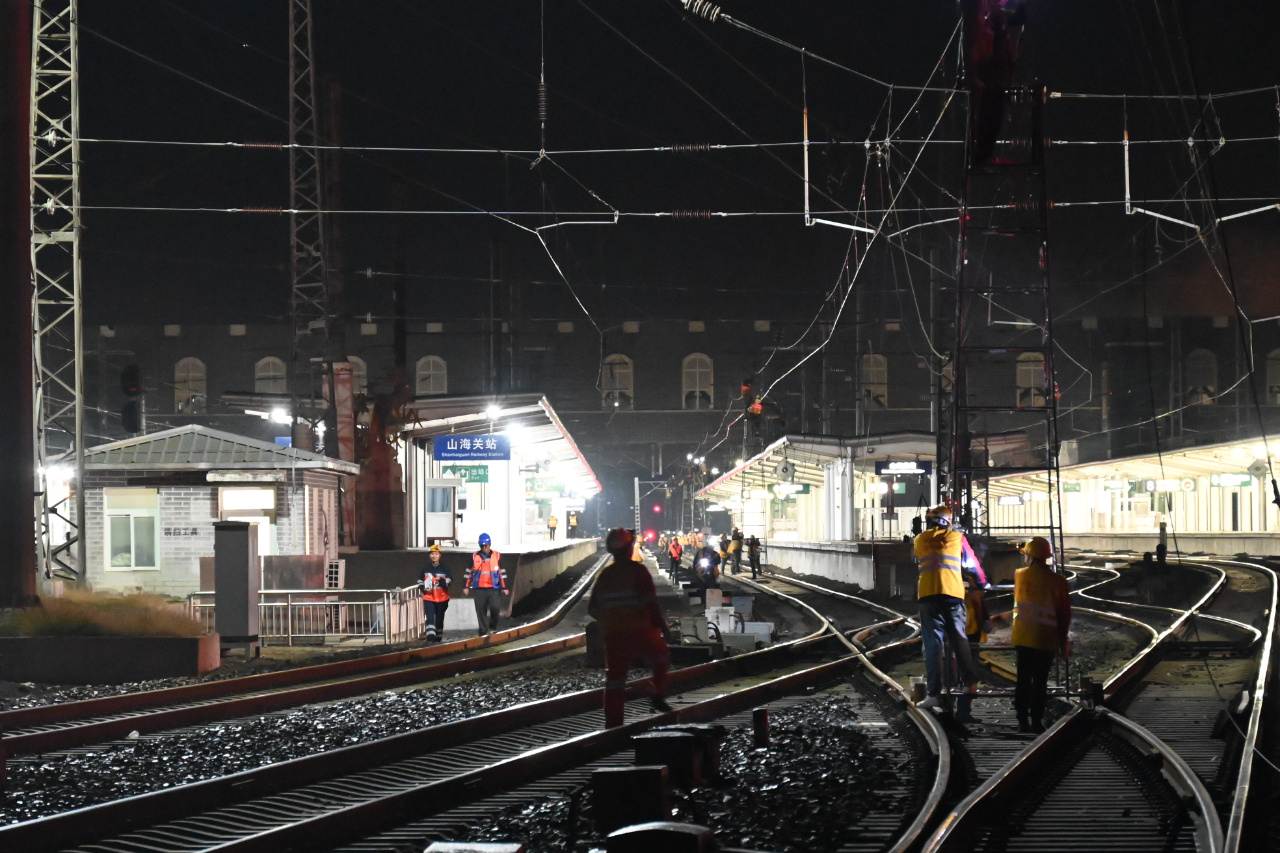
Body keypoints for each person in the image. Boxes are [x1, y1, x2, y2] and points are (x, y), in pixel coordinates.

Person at [588, 528, 676, 727]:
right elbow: (650, 603)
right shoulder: (638, 571)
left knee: (615, 680)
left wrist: (610, 622)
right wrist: (663, 627)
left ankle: (613, 724)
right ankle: (658, 694)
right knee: (660, 657)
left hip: (614, 636)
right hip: (641, 631)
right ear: (629, 548)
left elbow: (593, 608)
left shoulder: (605, 575)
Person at [990, 536, 1071, 734]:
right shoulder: (1059, 581)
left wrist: (1002, 618)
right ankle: (1036, 720)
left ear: (1031, 557)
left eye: (1026, 555)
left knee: (1023, 681)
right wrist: (1063, 642)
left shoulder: (1020, 575)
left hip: (1024, 637)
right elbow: (1064, 614)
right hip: (1046, 638)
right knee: (1040, 682)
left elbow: (1023, 603)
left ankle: (1022, 721)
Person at [913, 505, 981, 711]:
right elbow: (973, 565)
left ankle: (934, 694)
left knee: (933, 645)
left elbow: (918, 558)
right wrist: (982, 583)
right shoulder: (958, 538)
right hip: (953, 594)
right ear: (948, 522)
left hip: (928, 596)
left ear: (929, 521)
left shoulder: (920, 539)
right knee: (959, 638)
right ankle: (970, 684)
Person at [954, 569, 990, 723]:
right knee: (957, 675)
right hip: (957, 634)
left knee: (968, 675)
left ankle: (963, 712)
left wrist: (985, 619)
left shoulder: (970, 580)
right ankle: (954, 711)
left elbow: (978, 601)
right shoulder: (950, 580)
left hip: (970, 633)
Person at [464, 533, 508, 637]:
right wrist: (465, 586)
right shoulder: (474, 557)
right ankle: (483, 631)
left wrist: (505, 587)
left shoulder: (497, 556)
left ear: (489, 544)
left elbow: (502, 573)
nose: (484, 547)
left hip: (494, 588)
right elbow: (468, 573)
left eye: (485, 545)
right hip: (479, 589)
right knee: (480, 610)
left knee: (495, 607)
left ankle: (492, 628)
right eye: (482, 546)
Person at [419, 544, 452, 643]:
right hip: (429, 598)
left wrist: (441, 580)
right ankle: (430, 638)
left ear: (440, 555)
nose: (434, 556)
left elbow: (449, 582)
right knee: (430, 619)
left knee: (439, 620)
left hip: (442, 599)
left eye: (436, 554)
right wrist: (424, 589)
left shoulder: (445, 569)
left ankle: (438, 637)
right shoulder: (425, 569)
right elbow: (419, 581)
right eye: (432, 554)